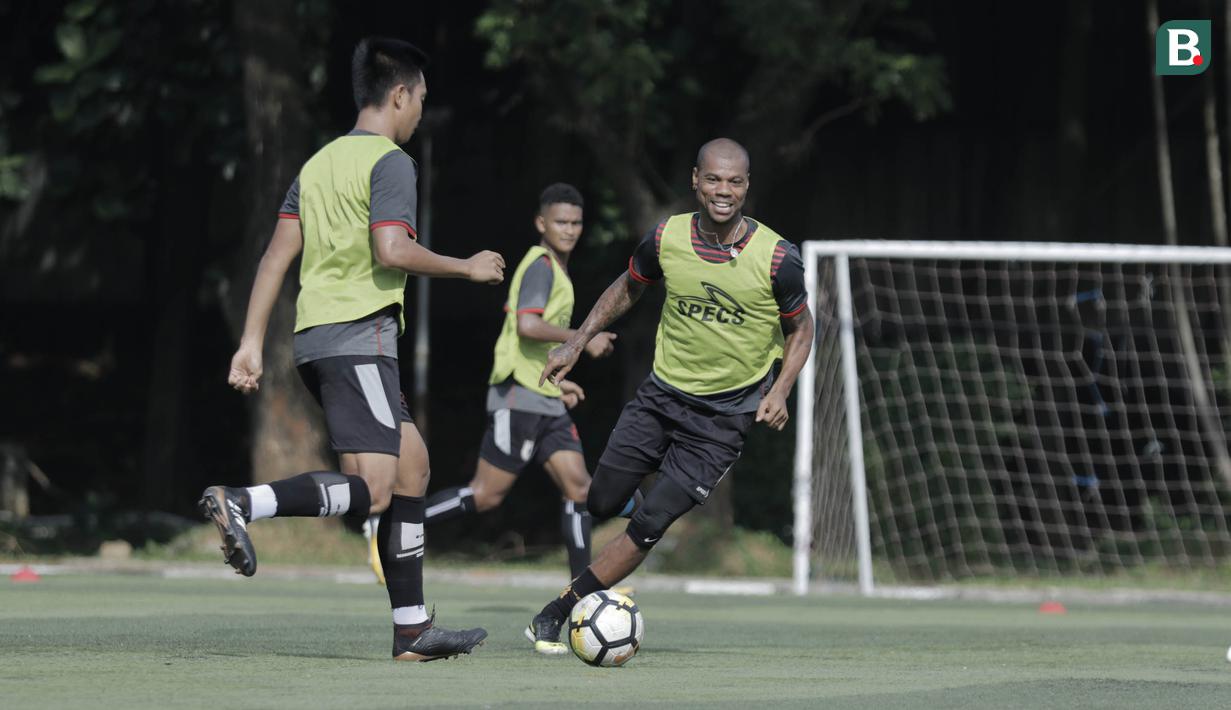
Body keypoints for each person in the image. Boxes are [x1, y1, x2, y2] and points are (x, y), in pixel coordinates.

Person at [198, 37, 503, 662]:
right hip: (359, 337)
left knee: (412, 464)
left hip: (319, 339)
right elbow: (391, 250)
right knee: (378, 489)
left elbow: (275, 257)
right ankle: (243, 502)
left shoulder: (316, 165)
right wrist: (465, 268)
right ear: (399, 95)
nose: (419, 112)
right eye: (419, 100)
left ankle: (413, 628)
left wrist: (251, 344)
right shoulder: (390, 162)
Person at [523, 138, 814, 655]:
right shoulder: (666, 237)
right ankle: (632, 503)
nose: (724, 191)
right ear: (695, 181)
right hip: (660, 397)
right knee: (601, 501)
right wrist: (578, 338)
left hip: (724, 420)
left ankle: (559, 610)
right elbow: (629, 285)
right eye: (714, 179)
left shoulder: (777, 259)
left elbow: (802, 329)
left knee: (650, 524)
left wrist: (782, 389)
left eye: (735, 181)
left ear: (747, 186)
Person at [421, 183, 616, 581]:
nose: (570, 230)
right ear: (541, 223)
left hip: (543, 397)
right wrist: (585, 338)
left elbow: (532, 339)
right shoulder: (541, 267)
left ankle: (582, 592)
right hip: (518, 399)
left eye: (577, 223)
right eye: (561, 222)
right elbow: (527, 325)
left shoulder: (558, 269)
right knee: (485, 495)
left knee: (580, 489)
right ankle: (399, 524)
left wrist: (558, 384)